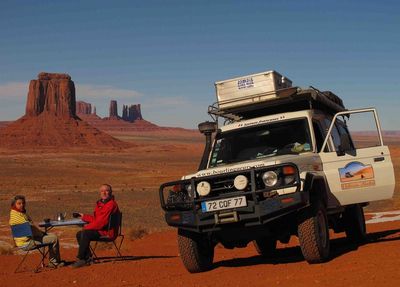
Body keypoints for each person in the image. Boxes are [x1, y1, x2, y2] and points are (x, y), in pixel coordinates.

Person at [71, 184, 120, 268]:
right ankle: (88, 258)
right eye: (102, 191)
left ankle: (81, 258)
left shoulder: (110, 204)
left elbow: (101, 222)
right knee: (79, 234)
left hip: (108, 232)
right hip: (102, 230)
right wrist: (83, 216)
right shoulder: (100, 204)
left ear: (111, 192)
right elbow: (97, 219)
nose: (104, 193)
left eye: (106, 191)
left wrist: (86, 227)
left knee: (85, 233)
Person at [9, 195, 64, 268]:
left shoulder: (14, 214)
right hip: (27, 242)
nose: (22, 205)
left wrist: (41, 234)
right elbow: (31, 229)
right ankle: (54, 263)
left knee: (51, 235)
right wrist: (41, 234)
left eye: (23, 203)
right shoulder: (19, 216)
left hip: (22, 241)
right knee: (54, 238)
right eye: (19, 203)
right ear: (14, 204)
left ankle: (53, 261)